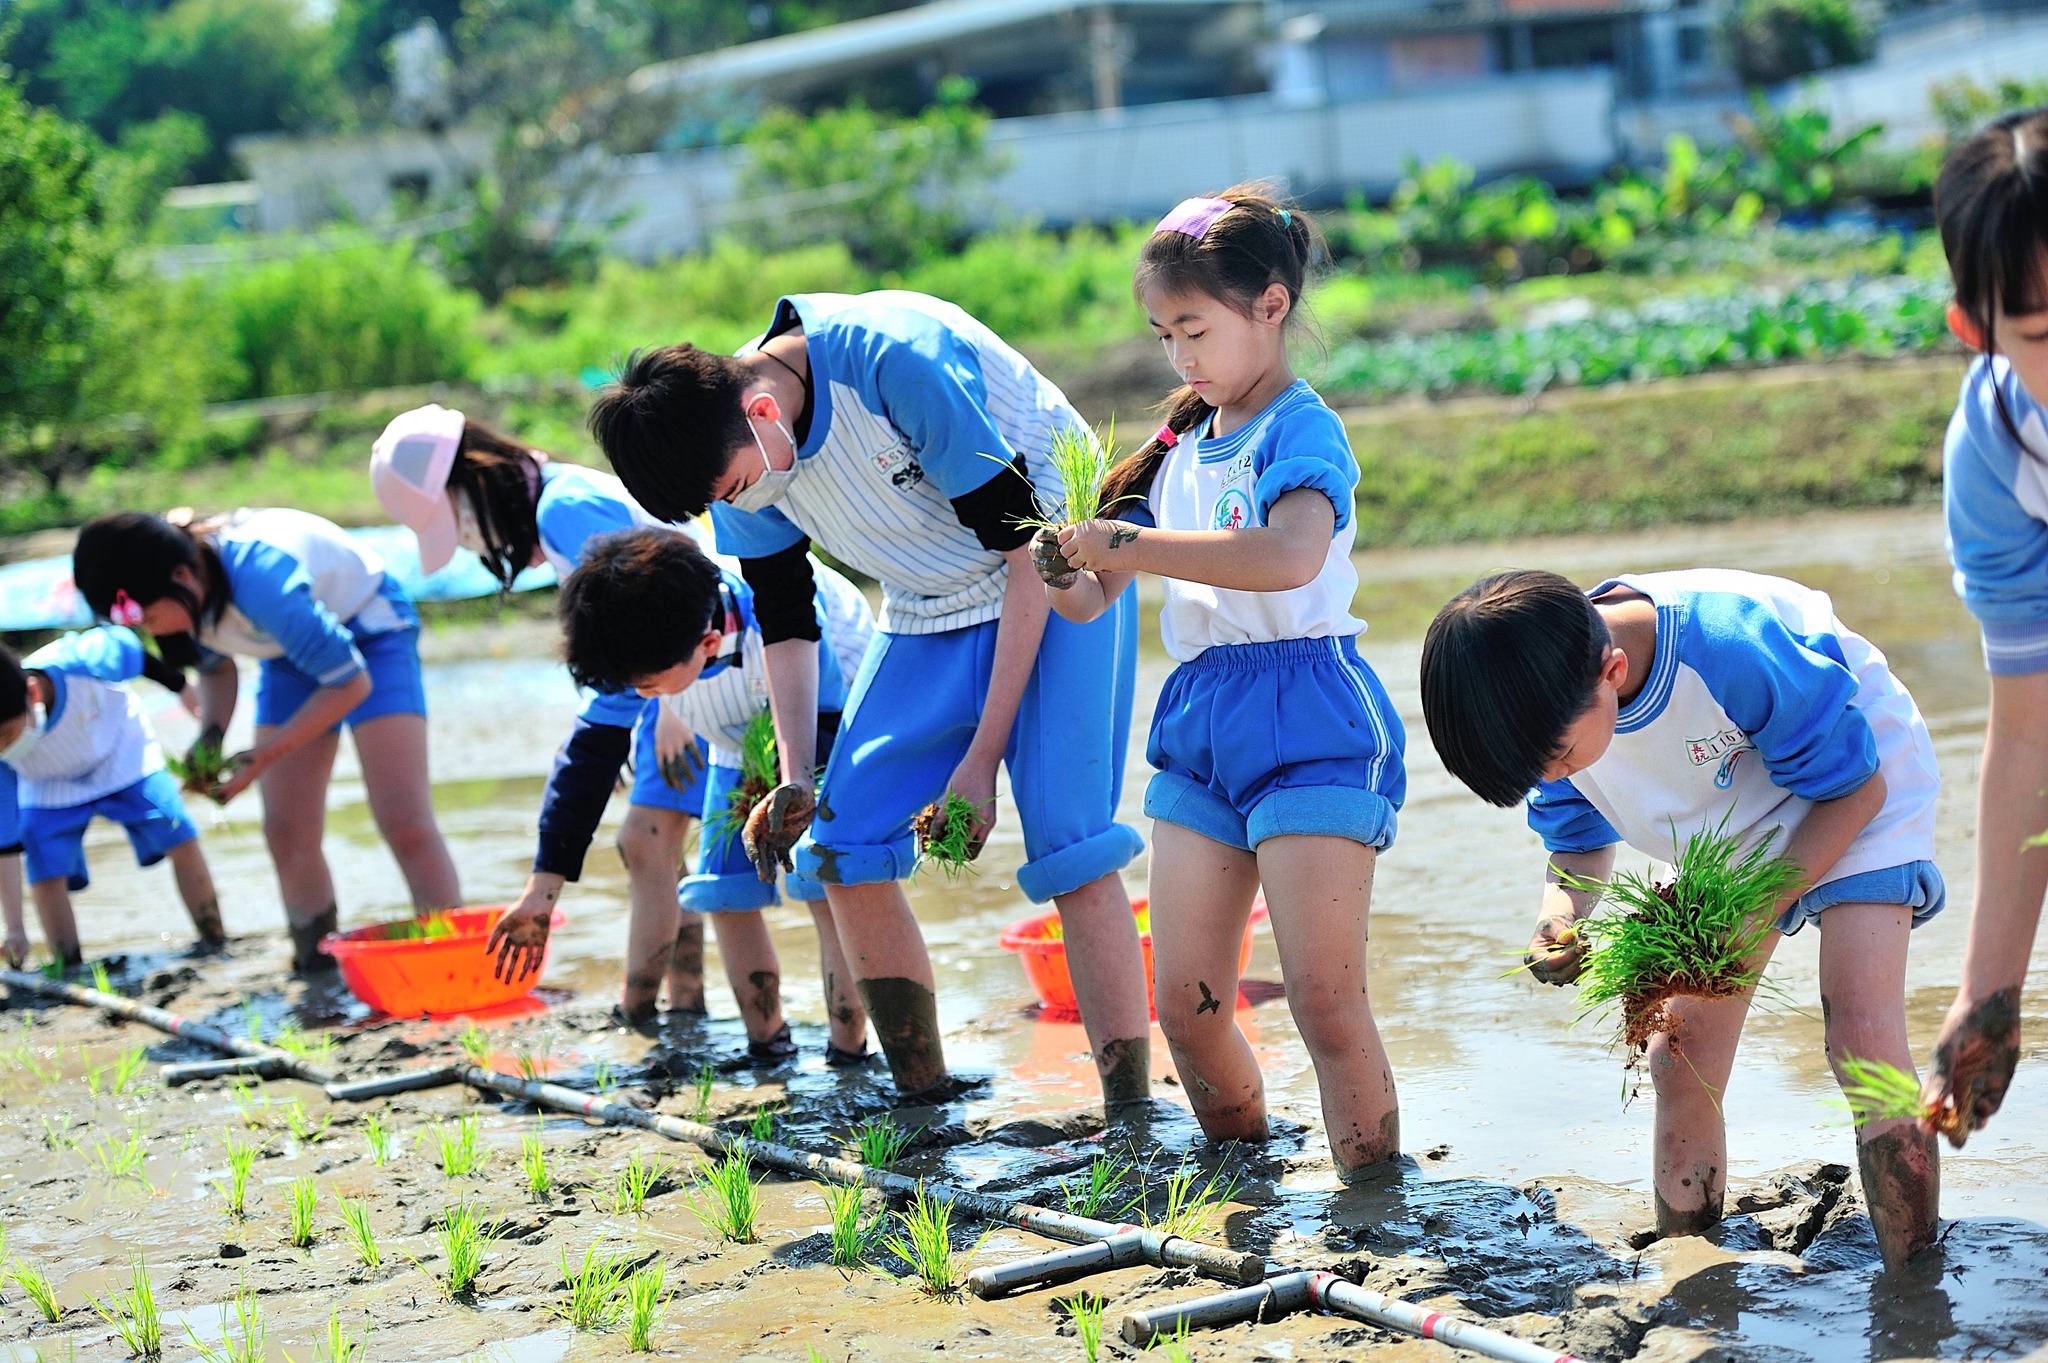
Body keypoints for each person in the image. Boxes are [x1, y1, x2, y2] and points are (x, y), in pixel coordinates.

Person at [585, 291, 1153, 1108]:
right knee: (839, 844)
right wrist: (794, 773)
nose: (742, 505)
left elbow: (1026, 554)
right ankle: (925, 1097)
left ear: (760, 408)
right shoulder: (734, 462)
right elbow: (787, 621)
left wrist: (979, 761)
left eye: (739, 487)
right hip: (927, 605)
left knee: (1070, 844)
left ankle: (1128, 1108)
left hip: (1058, 578)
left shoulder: (894, 364)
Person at [1420, 568, 1943, 1270]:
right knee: (1678, 1058)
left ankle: (1916, 1281)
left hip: (1852, 784)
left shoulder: (1725, 646)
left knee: (1862, 1036)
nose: (1553, 777)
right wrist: (1557, 915)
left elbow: (1858, 788)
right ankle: (1693, 1266)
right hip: (1722, 822)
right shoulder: (1553, 706)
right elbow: (1575, 843)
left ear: (1612, 670)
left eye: (1559, 759)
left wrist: (1760, 908)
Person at [1036, 189, 1407, 1173]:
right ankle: (1241, 1177)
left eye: (1194, 329)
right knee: (1186, 1005)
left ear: (1271, 306)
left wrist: (1132, 542)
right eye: (1163, 336)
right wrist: (1065, 565)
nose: (1180, 357)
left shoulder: (1300, 430)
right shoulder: (1171, 448)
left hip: (1311, 711)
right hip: (1199, 717)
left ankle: (1371, 1200)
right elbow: (1088, 604)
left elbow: (1288, 558)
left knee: (1324, 1001)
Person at [370, 403, 720, 1023]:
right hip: (677, 681)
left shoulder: (565, 510)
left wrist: (674, 706)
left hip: (704, 671)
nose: (476, 546)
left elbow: (685, 568)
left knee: (645, 840)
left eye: (462, 529)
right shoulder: (558, 505)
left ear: (474, 481)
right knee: (657, 845)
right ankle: (683, 1004)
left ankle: (645, 1014)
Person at [488, 529, 875, 1062]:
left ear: (708, 646)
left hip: (828, 725)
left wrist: (793, 786)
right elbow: (588, 757)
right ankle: (768, 1042)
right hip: (734, 745)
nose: (638, 697)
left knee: (822, 883)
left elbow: (823, 711)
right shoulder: (647, 635)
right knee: (721, 889)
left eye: (646, 687)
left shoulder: (779, 614)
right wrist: (542, 888)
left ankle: (848, 1048)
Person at [70, 510, 460, 972]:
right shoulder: (186, 594)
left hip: (371, 631)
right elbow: (215, 668)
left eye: (149, 617)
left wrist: (264, 756)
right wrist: (210, 737)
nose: (150, 631)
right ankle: (316, 960)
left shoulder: (260, 583)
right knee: (285, 830)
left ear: (182, 576)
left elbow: (350, 684)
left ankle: (450, 957)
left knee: (403, 819)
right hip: (287, 653)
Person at [1923, 107, 2048, 1142]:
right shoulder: (1999, 457)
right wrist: (1988, 991)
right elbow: (2027, 735)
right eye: (2046, 335)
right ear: (1976, 330)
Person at [0, 628, 225, 966]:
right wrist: (15, 927)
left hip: (120, 755)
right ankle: (69, 962)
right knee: (43, 862)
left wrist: (181, 687)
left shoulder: (81, 661)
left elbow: (130, 647)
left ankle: (215, 939)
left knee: (176, 828)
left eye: (5, 734)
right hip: (49, 783)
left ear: (32, 693)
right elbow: (6, 842)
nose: (2, 746)